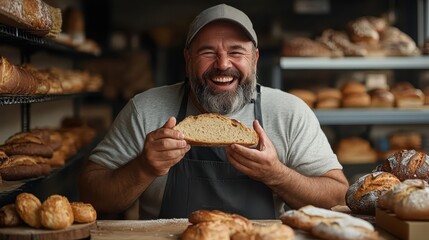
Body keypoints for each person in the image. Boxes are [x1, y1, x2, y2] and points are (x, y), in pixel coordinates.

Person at [79, 3, 349, 220]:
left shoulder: (288, 112)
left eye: (236, 52)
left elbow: (338, 197)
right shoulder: (145, 109)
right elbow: (91, 195)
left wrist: (277, 174)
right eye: (208, 52)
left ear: (254, 59)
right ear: (187, 60)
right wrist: (143, 167)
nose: (222, 64)